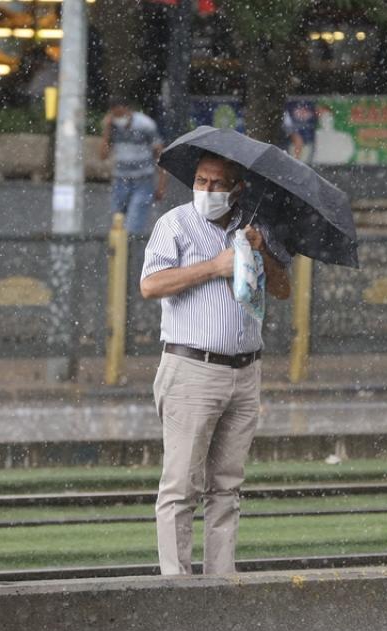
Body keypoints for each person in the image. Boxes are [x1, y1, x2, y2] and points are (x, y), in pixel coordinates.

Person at [140, 151, 292, 575]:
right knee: (181, 485)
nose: (206, 190)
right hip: (192, 368)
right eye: (201, 181)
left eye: (217, 184)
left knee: (226, 486)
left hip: (245, 370)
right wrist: (213, 267)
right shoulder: (176, 224)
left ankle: (221, 582)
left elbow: (282, 290)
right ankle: (177, 584)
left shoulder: (253, 225)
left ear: (237, 187)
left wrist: (264, 254)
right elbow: (151, 285)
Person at [100, 97, 167, 234]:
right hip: (120, 180)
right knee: (117, 224)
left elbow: (160, 154)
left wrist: (161, 183)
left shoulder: (145, 125)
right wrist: (107, 130)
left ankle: (130, 252)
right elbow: (103, 155)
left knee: (134, 226)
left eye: (120, 114)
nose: (119, 118)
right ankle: (119, 254)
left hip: (143, 180)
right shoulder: (112, 125)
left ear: (127, 110)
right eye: (115, 115)